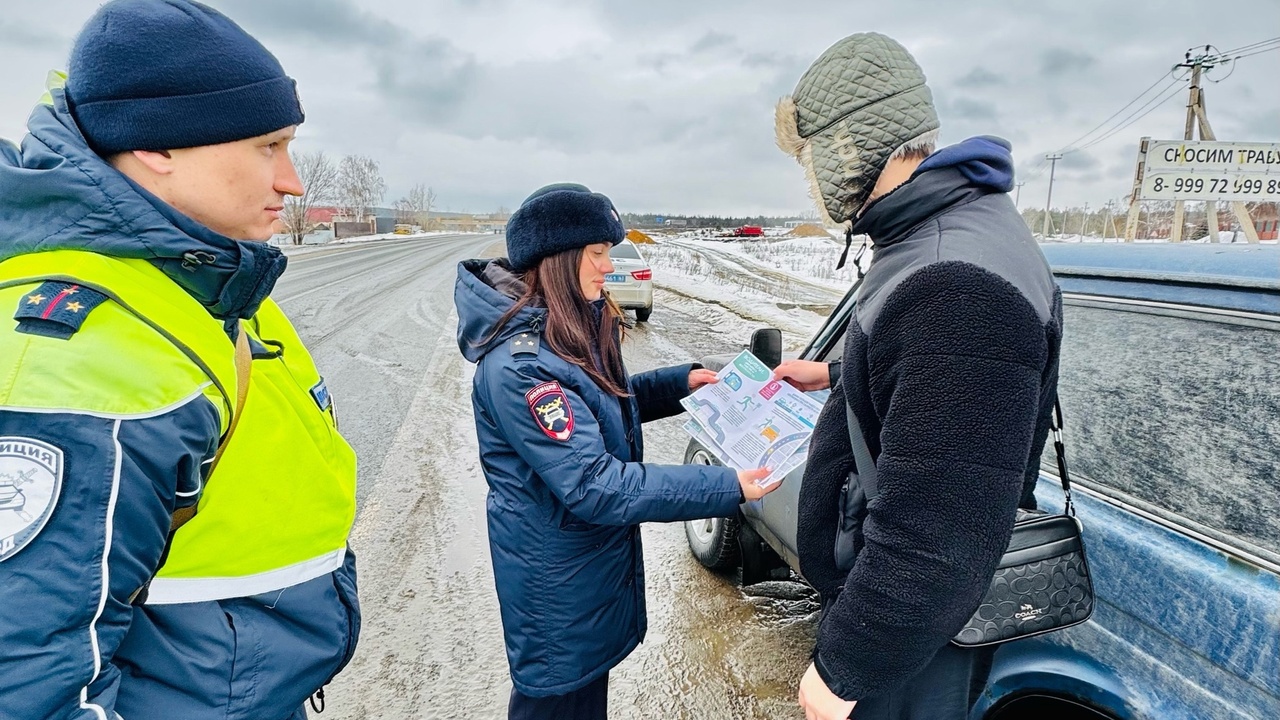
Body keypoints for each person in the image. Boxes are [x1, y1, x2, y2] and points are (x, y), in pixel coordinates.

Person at [0, 2, 359, 718]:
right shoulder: (76, 347)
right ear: (159, 145)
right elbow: (31, 674)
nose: (292, 182)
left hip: (233, 687)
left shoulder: (211, 286)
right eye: (269, 146)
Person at [772, 33, 1064, 720]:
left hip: (911, 649)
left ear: (849, 146)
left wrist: (845, 668)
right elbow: (945, 395)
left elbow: (939, 531)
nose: (810, 180)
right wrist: (846, 372)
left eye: (809, 158)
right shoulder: (952, 235)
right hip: (917, 633)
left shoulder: (952, 281)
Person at [454, 183, 778, 719]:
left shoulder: (566, 327)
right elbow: (596, 484)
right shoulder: (521, 366)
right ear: (557, 259)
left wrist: (682, 382)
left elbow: (604, 405)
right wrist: (728, 486)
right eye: (598, 253)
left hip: (584, 572)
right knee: (558, 701)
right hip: (555, 586)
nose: (610, 266)